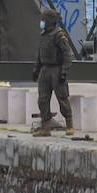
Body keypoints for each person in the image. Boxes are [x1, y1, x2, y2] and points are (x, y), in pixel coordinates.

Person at [33, 9, 76, 137]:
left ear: (50, 22)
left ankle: (69, 125)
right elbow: (39, 54)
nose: (42, 22)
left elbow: (67, 54)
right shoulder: (43, 35)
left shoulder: (59, 35)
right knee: (42, 99)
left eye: (44, 20)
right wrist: (36, 69)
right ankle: (45, 126)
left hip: (56, 69)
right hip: (45, 69)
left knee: (62, 97)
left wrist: (64, 71)